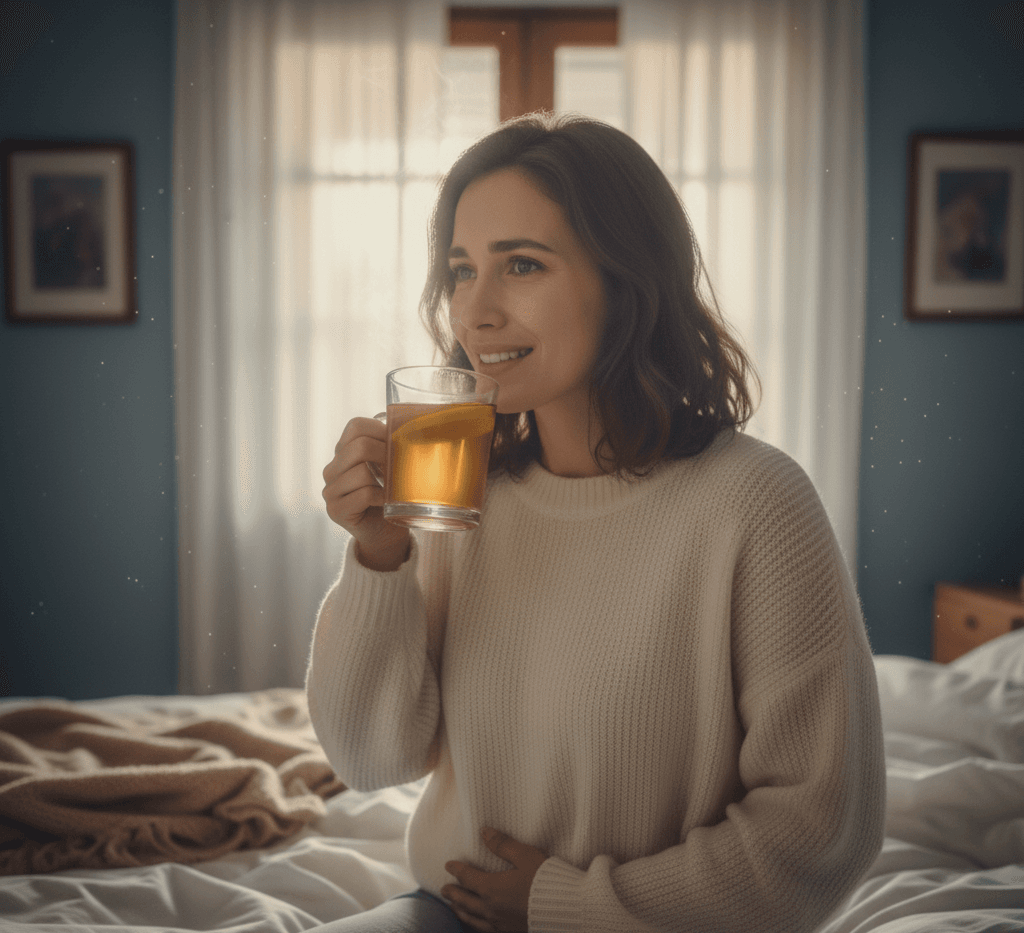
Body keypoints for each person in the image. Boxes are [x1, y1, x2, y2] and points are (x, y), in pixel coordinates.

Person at [309, 112, 885, 933]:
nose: (475, 310)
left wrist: (566, 905)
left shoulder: (755, 504)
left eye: (521, 264)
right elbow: (372, 757)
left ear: (626, 279)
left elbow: (821, 833)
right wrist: (377, 552)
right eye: (461, 269)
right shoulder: (463, 493)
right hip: (447, 917)